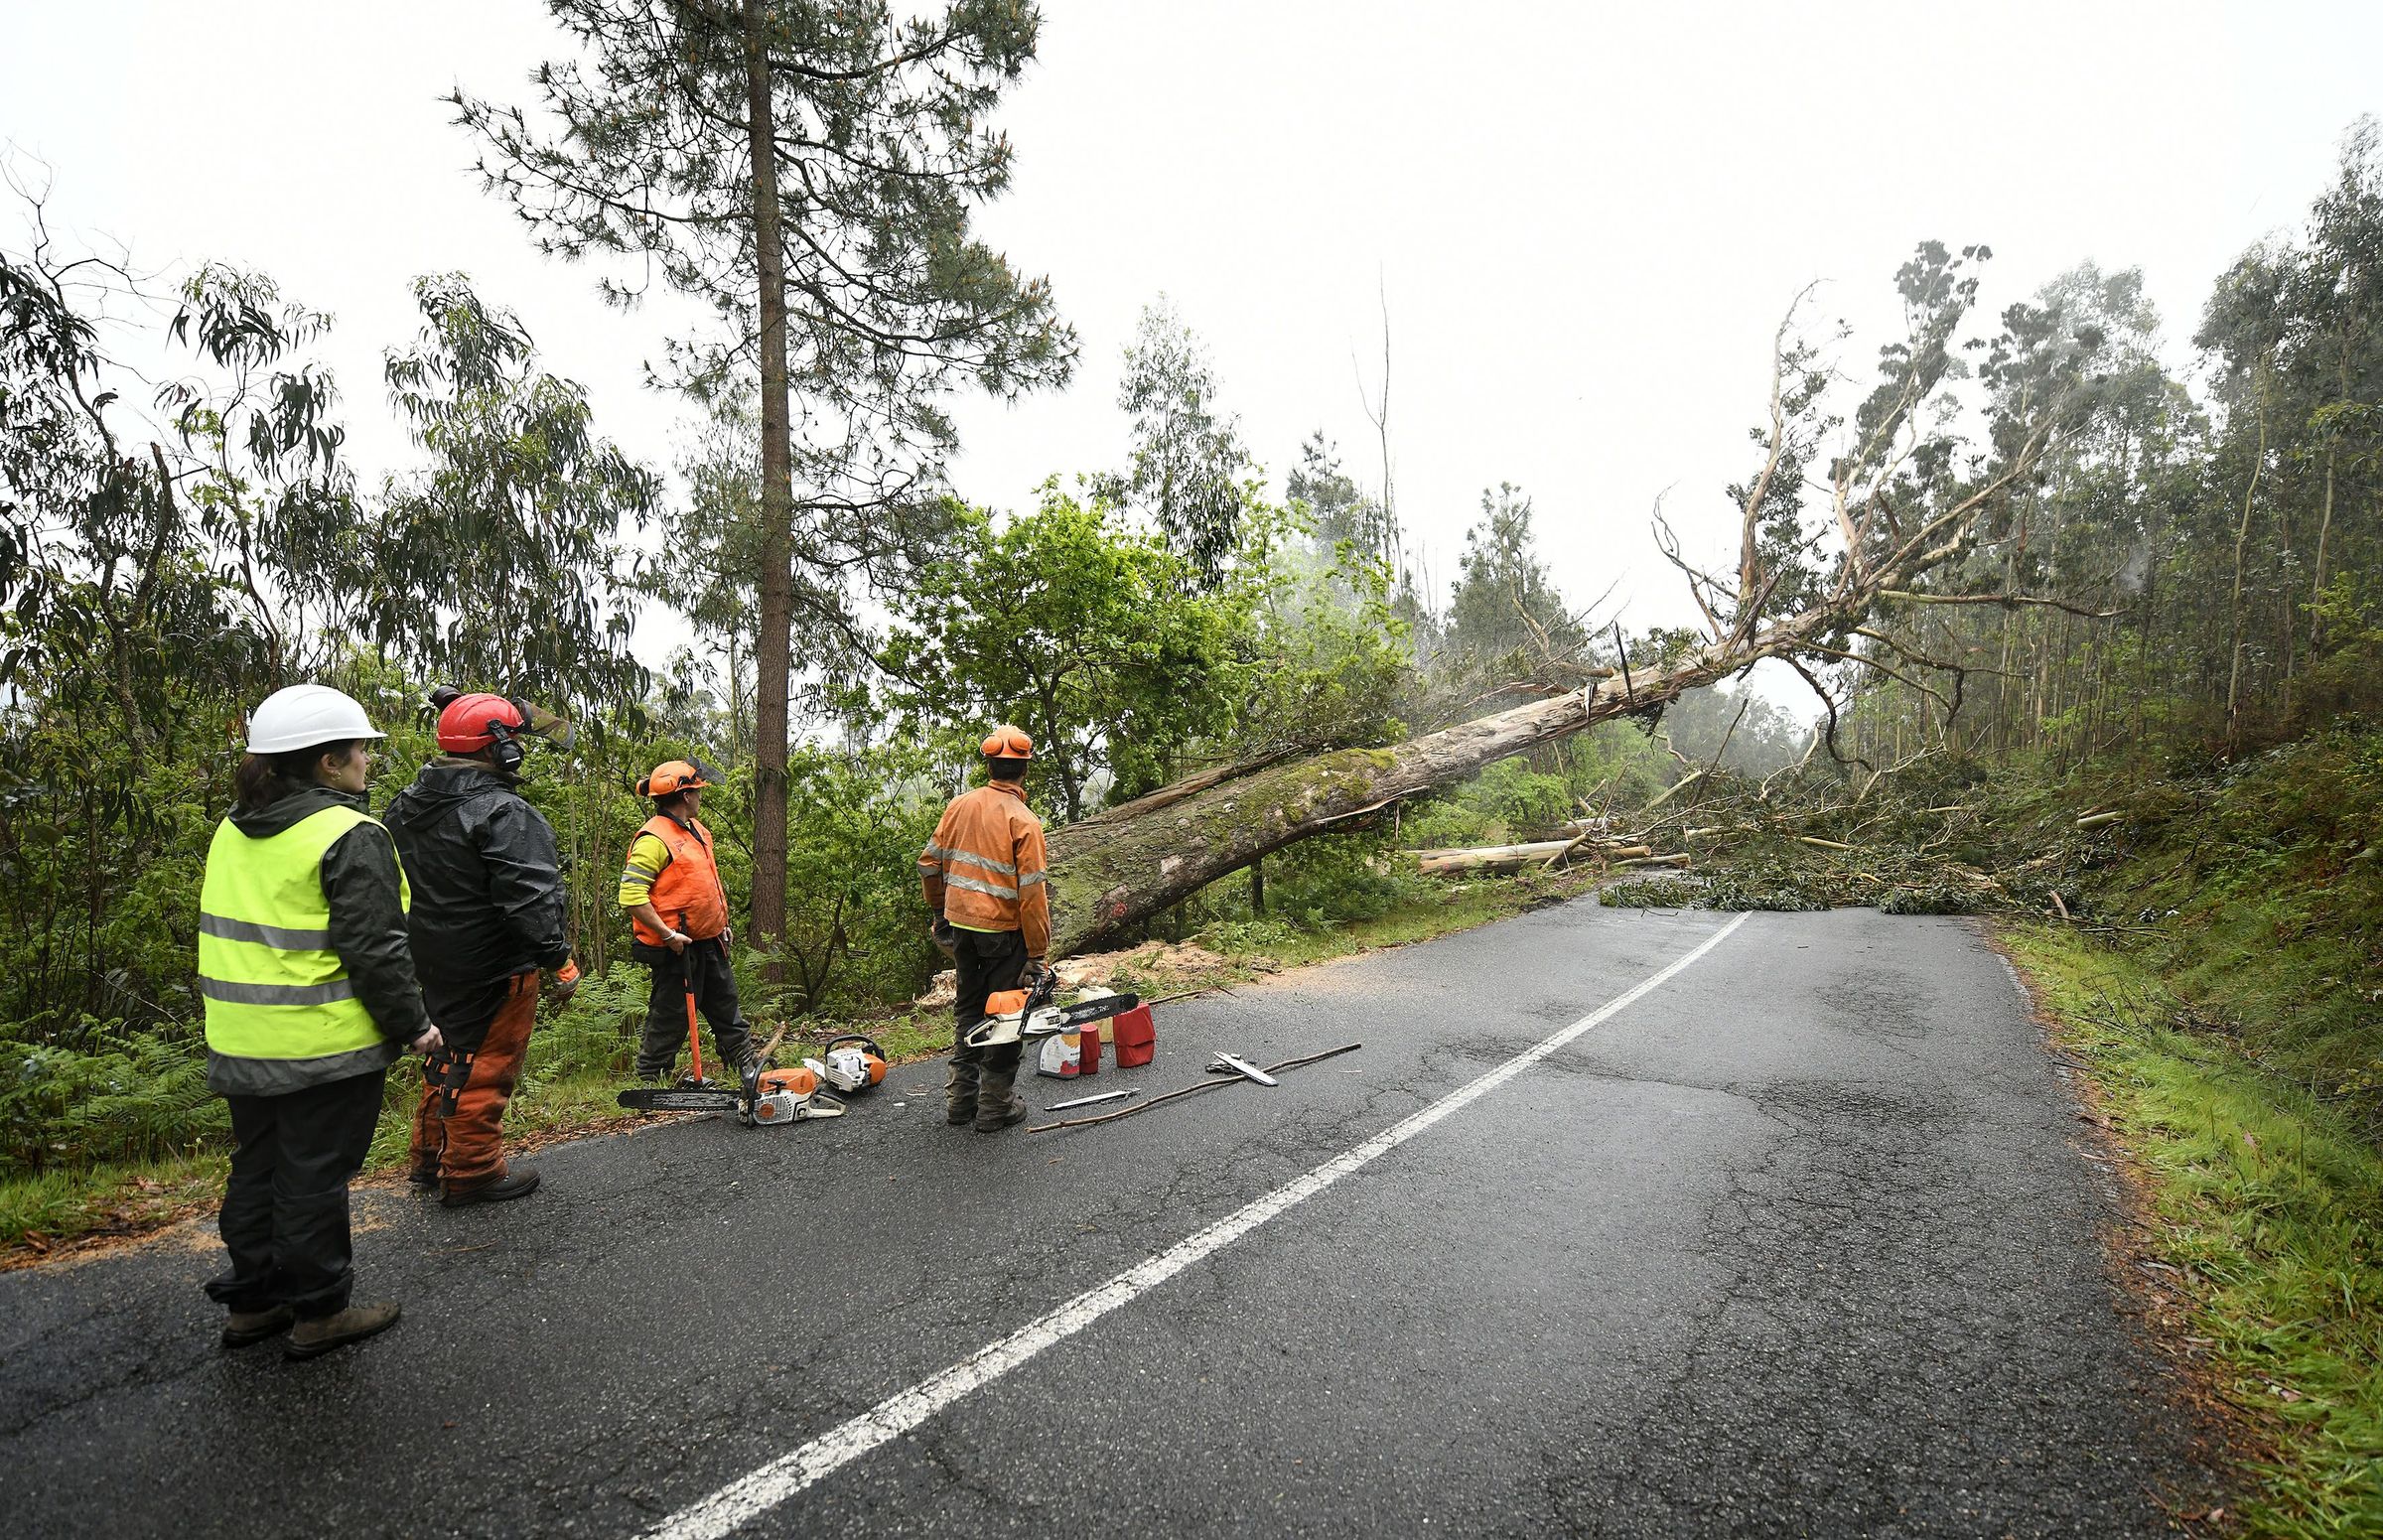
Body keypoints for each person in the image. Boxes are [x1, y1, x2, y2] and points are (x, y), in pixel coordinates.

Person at [197, 683, 441, 1360]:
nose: (368, 759)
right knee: (312, 1177)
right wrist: (415, 1024)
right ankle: (319, 1310)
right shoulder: (349, 834)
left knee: (258, 1167)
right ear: (329, 764)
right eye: (360, 749)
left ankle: (255, 1302)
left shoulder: (234, 826)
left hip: (241, 1042)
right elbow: (376, 949)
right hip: (320, 1045)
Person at [384, 689, 580, 1207]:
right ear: (499, 749)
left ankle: (430, 1157)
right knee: (487, 1064)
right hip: (494, 964)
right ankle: (471, 1169)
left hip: (433, 958)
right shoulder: (502, 813)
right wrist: (557, 958)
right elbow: (532, 899)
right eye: (514, 741)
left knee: (446, 1054)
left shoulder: (406, 806)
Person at [917, 725, 1051, 1132]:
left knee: (969, 1009)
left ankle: (961, 1102)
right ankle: (995, 1107)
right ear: (1023, 770)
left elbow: (928, 864)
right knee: (1006, 1015)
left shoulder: (959, 806)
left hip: (961, 928)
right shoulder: (1024, 820)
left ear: (990, 765)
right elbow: (1032, 895)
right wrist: (1037, 953)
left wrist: (940, 912)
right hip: (1003, 935)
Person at [618, 759, 757, 1084]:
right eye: (696, 791)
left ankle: (743, 1063)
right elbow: (631, 896)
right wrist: (667, 935)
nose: (699, 796)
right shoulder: (654, 838)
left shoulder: (697, 830)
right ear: (684, 796)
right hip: (676, 947)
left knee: (726, 1006)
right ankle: (653, 1077)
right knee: (671, 1014)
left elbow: (701, 884)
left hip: (709, 940)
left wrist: (720, 923)